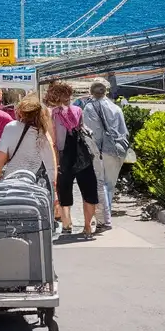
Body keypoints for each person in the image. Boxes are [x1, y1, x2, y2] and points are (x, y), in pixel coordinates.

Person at [46, 81, 99, 238]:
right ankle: (88, 227)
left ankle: (67, 224)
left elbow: (53, 141)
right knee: (89, 191)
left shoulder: (51, 114)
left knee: (64, 192)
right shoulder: (77, 110)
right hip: (82, 157)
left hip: (63, 158)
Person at [81, 79, 130, 232]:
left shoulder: (89, 108)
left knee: (100, 185)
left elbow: (90, 133)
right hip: (117, 150)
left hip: (100, 151)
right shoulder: (116, 108)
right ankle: (106, 218)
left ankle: (105, 220)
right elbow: (124, 132)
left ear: (91, 91)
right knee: (110, 185)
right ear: (106, 91)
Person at [0, 93, 57, 189]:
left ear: (21, 113)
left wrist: (2, 180)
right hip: (38, 189)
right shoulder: (44, 133)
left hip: (13, 185)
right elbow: (51, 165)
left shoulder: (12, 127)